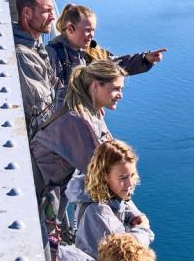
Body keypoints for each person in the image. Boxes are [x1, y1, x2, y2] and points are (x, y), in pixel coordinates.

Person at [31, 59, 127, 194]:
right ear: (95, 87)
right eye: (116, 89)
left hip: (47, 185)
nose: (120, 96)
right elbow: (103, 174)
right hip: (38, 190)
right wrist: (132, 213)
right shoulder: (78, 121)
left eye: (121, 89)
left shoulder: (82, 105)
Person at [47, 3, 166, 108]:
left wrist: (145, 59)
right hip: (65, 120)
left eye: (93, 30)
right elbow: (51, 93)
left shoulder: (91, 52)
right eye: (87, 30)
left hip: (84, 113)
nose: (92, 35)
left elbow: (115, 66)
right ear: (70, 29)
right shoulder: (54, 54)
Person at [66, 140, 154, 258]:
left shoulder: (107, 193)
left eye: (132, 175)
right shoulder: (98, 211)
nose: (129, 184)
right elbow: (127, 252)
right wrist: (143, 229)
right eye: (123, 178)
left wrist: (134, 216)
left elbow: (123, 204)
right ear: (105, 176)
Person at [13, 0, 56, 134]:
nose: (53, 16)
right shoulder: (23, 56)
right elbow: (42, 114)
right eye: (47, 11)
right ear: (27, 13)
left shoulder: (34, 43)